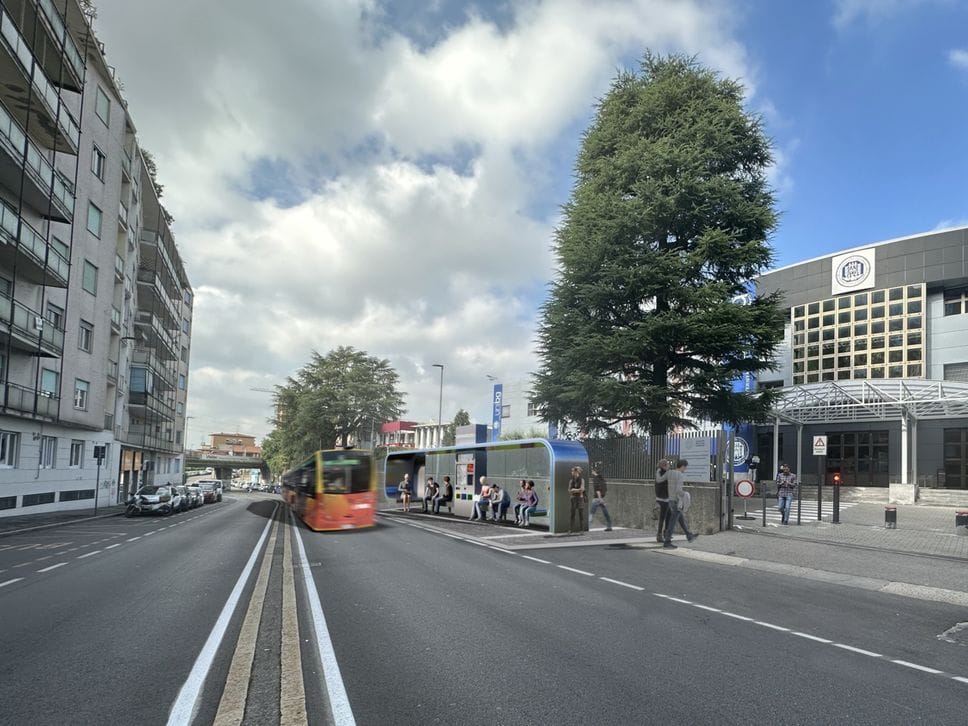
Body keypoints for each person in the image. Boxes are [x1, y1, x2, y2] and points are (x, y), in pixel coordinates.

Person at [663, 459, 698, 549]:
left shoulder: (670, 473)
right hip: (676, 501)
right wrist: (685, 494)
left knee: (680, 519)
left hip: (670, 500)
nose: (685, 470)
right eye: (685, 468)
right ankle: (667, 542)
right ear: (682, 466)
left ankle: (689, 535)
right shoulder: (680, 475)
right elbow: (678, 490)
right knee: (672, 521)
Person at [588, 461, 613, 531]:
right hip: (601, 497)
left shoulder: (595, 479)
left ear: (594, 471)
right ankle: (609, 526)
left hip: (597, 499)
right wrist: (602, 498)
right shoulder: (601, 478)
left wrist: (599, 498)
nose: (591, 472)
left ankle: (587, 526)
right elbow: (605, 488)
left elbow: (597, 489)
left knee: (592, 513)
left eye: (592, 471)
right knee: (606, 513)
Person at [655, 459, 670, 543]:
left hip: (664, 498)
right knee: (662, 518)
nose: (669, 465)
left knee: (668, 516)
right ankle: (660, 535)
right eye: (667, 464)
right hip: (663, 499)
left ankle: (665, 533)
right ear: (663, 466)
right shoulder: (662, 473)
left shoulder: (661, 473)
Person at [568, 466, 586, 534]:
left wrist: (574, 490)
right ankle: (570, 529)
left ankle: (582, 530)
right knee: (572, 515)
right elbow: (569, 490)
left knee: (581, 515)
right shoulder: (571, 480)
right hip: (573, 499)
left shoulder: (582, 480)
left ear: (576, 472)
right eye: (572, 471)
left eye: (573, 471)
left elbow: (582, 489)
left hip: (580, 499)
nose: (572, 473)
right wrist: (577, 490)